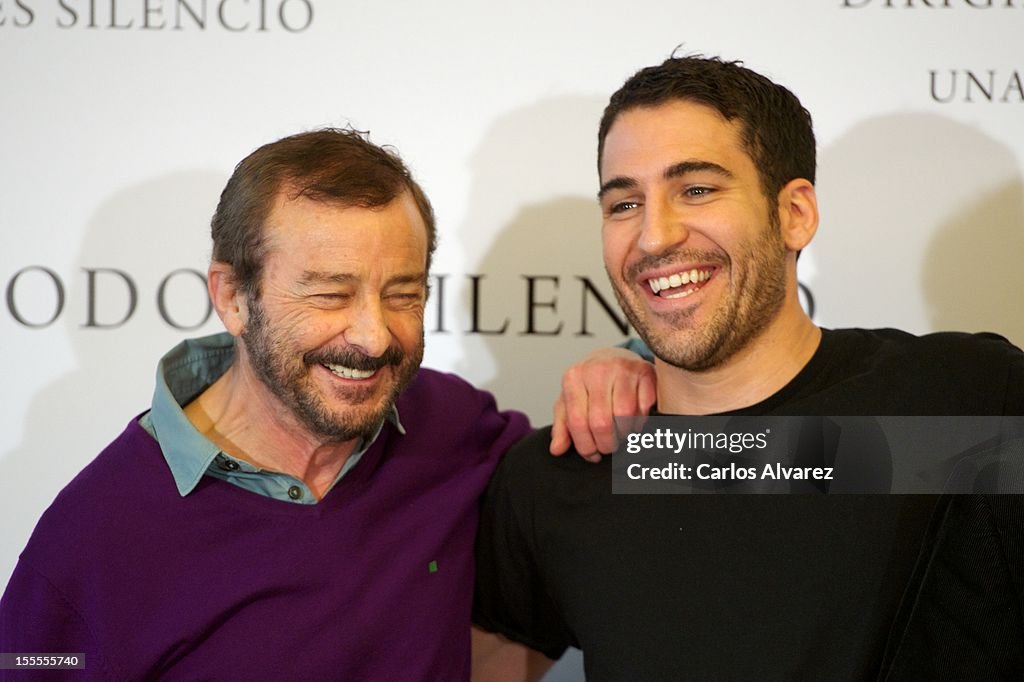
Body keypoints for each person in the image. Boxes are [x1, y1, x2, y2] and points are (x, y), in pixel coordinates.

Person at [0, 128, 651, 680]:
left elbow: (714, 471)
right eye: (330, 294)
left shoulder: (449, 426)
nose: (372, 337)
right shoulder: (91, 539)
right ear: (232, 297)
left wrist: (634, 363)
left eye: (402, 294)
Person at [472, 55, 1024, 680]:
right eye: (624, 203)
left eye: (697, 189)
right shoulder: (569, 470)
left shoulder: (965, 400)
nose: (654, 237)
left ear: (795, 214)